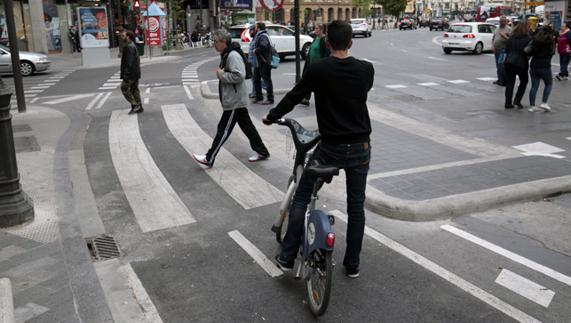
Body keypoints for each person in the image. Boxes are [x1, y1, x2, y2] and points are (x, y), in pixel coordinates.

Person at [264, 20, 374, 279]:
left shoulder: (318, 70)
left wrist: (272, 115)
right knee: (356, 206)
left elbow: (294, 96)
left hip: (331, 148)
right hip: (361, 147)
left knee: (302, 196)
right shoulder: (366, 70)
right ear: (350, 42)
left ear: (327, 43)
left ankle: (287, 257)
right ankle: (353, 265)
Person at [192, 29, 270, 168]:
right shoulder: (227, 53)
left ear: (223, 42)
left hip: (234, 101)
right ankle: (262, 151)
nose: (214, 44)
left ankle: (209, 157)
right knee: (248, 128)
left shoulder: (232, 55)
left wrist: (221, 75)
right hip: (236, 99)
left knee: (223, 130)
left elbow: (239, 75)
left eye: (216, 41)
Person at [300, 23, 330, 106]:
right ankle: (306, 98)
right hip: (311, 64)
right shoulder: (315, 38)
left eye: (317, 28)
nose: (315, 30)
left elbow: (326, 53)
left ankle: (322, 99)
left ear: (321, 30)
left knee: (318, 83)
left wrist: (323, 65)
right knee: (308, 81)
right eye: (315, 28)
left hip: (319, 66)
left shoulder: (324, 40)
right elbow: (311, 51)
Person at [528, 25, 556, 112]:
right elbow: (553, 52)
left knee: (534, 86)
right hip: (545, 66)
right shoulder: (550, 41)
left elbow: (528, 51)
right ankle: (544, 102)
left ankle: (532, 106)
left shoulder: (535, 40)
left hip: (534, 65)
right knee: (548, 84)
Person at [503, 21, 530, 109]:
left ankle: (508, 103)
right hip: (521, 63)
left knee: (510, 83)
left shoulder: (511, 38)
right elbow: (528, 51)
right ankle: (517, 100)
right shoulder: (528, 39)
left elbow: (506, 50)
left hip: (509, 62)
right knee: (524, 81)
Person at [120, 31, 143, 115]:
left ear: (128, 37)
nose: (121, 37)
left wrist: (126, 75)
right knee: (134, 89)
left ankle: (135, 105)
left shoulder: (129, 47)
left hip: (131, 74)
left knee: (124, 88)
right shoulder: (132, 45)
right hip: (135, 73)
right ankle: (139, 107)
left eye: (123, 36)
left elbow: (129, 63)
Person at [253, 22, 274, 104]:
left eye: (255, 27)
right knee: (256, 79)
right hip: (259, 62)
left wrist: (256, 50)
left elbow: (264, 46)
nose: (254, 28)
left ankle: (270, 98)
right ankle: (259, 97)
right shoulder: (260, 35)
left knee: (267, 80)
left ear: (258, 28)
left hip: (264, 62)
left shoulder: (263, 36)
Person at [492, 16, 511, 86]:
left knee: (501, 65)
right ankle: (500, 79)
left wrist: (504, 36)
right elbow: (493, 38)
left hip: (503, 49)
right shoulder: (497, 29)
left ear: (506, 22)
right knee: (498, 65)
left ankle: (504, 80)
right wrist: (493, 46)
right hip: (496, 49)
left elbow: (511, 40)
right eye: (500, 21)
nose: (502, 22)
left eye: (503, 21)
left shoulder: (509, 29)